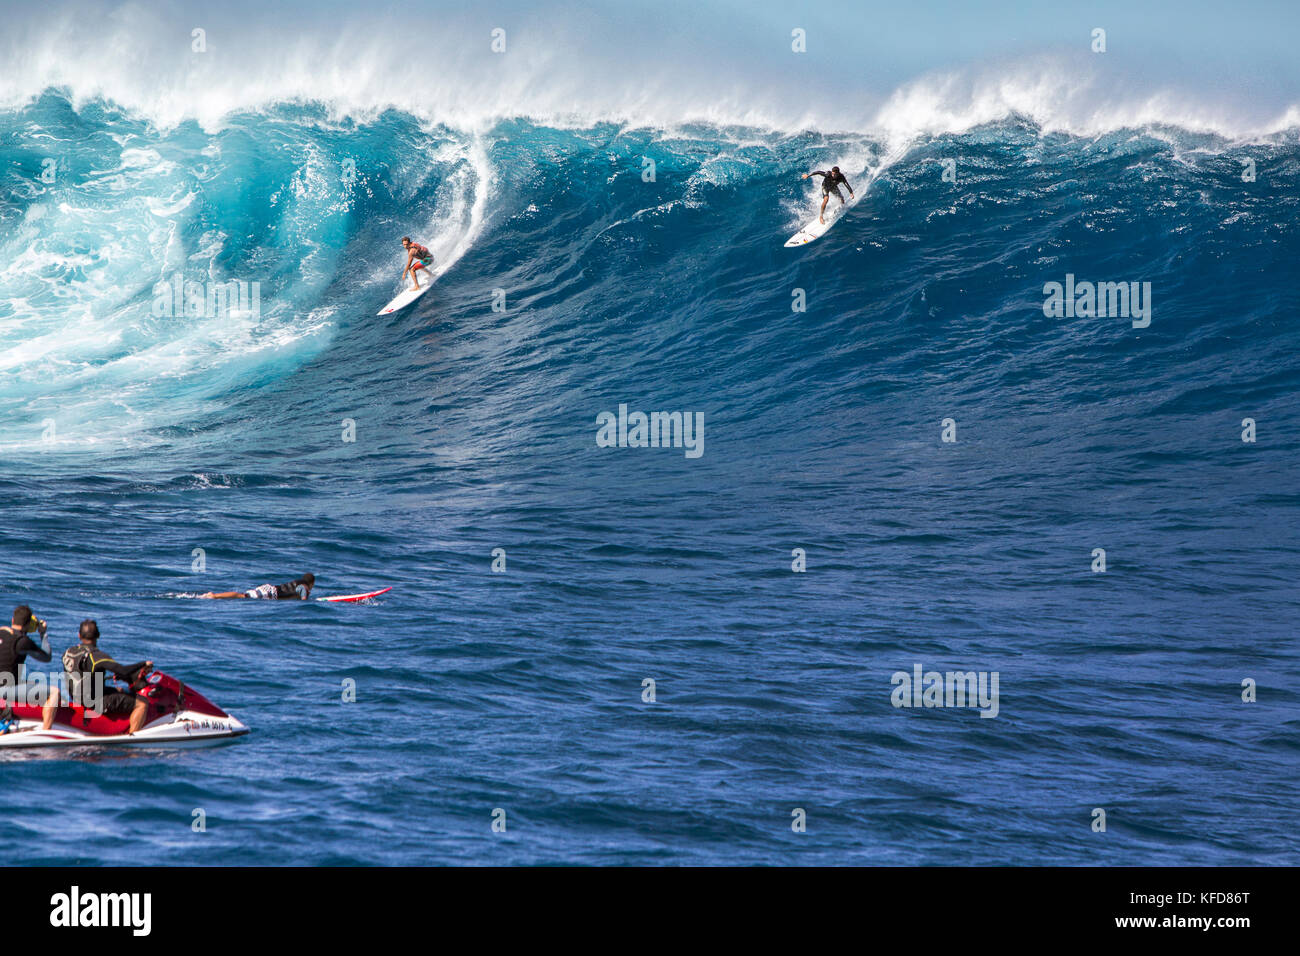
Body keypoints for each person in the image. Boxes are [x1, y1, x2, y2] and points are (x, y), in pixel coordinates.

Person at [62, 620, 153, 735]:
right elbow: (124, 671)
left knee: (120, 691)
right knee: (142, 703)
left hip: (77, 698)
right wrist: (143, 664)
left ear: (79, 635)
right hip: (94, 702)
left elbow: (82, 672)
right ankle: (133, 738)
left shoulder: (68, 653)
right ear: (98, 636)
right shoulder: (98, 656)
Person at [201, 572, 315, 600]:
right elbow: (301, 589)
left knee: (243, 595)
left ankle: (215, 595)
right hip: (271, 593)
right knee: (243, 596)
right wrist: (304, 600)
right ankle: (214, 596)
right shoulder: (304, 585)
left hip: (269, 588)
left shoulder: (297, 581)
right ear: (311, 583)